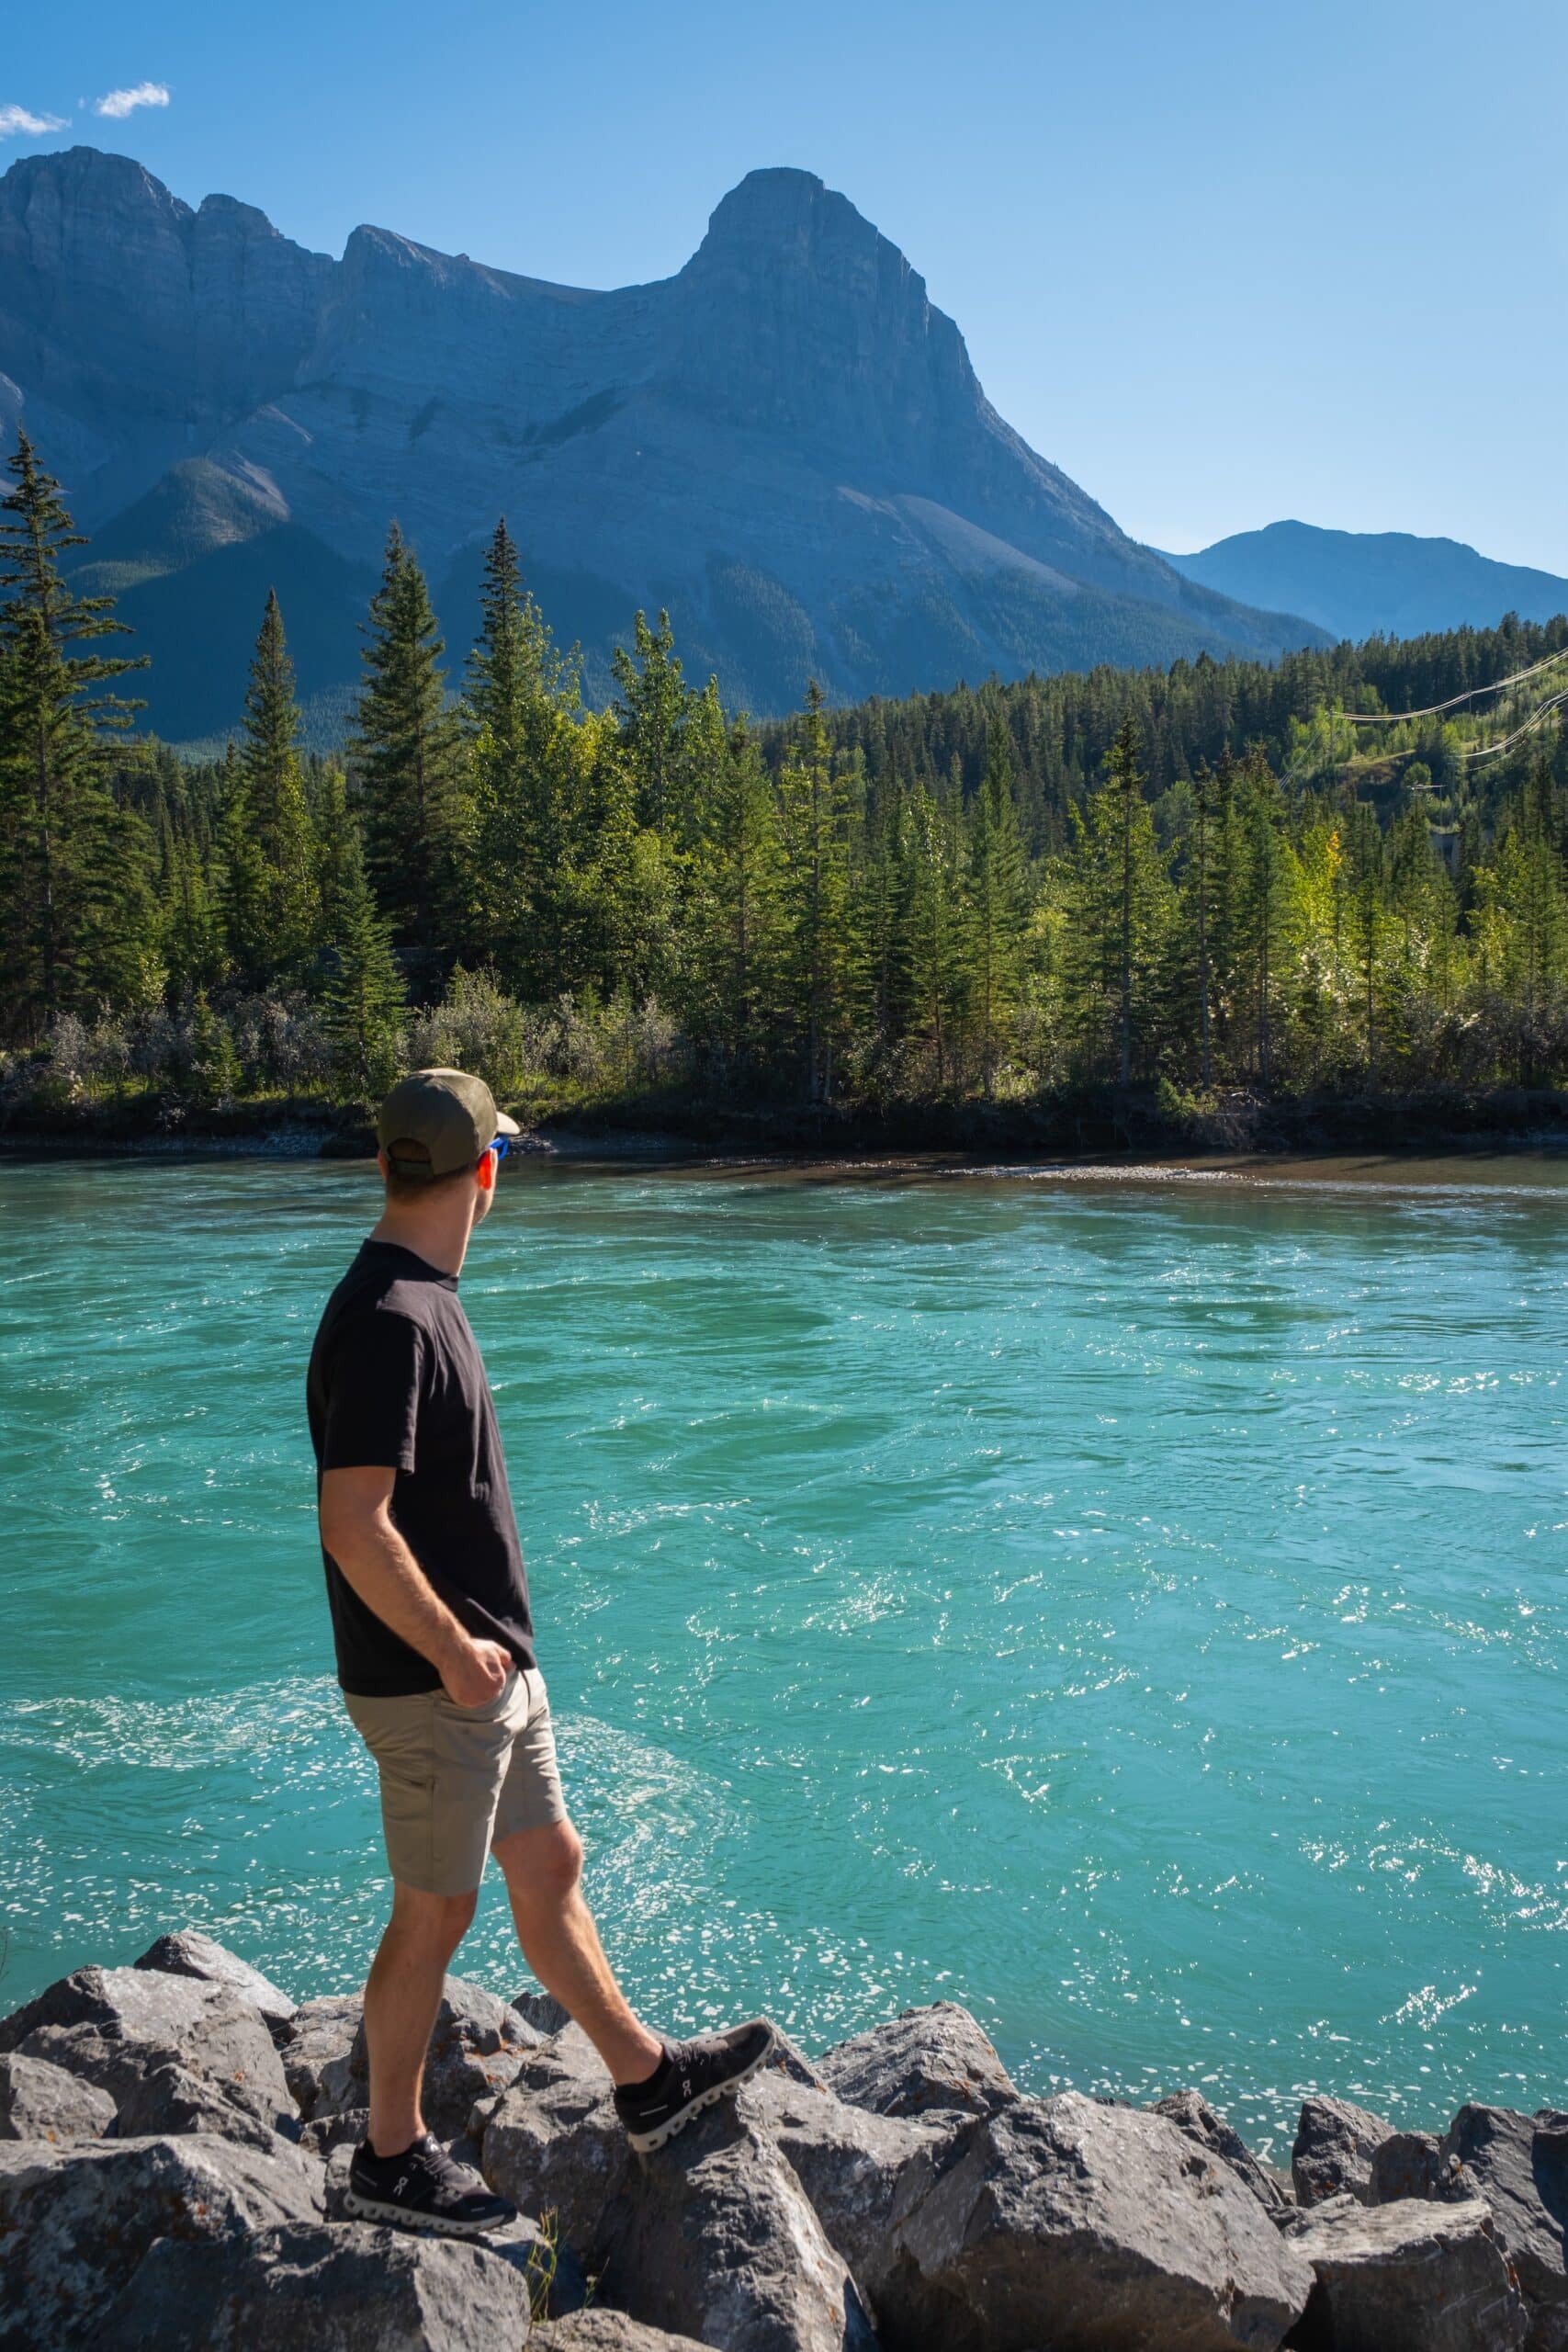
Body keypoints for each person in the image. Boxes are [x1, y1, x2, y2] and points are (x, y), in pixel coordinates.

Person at [307, 1066, 773, 2237]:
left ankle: (645, 2079)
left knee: (549, 1859)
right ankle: (390, 2156)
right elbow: (353, 1523)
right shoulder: (390, 1315)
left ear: (384, 1164)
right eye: (500, 1153)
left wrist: (487, 1655)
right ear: (487, 1170)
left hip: (485, 1670)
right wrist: (454, 1650)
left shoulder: (420, 1294)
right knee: (434, 1912)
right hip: (438, 1681)